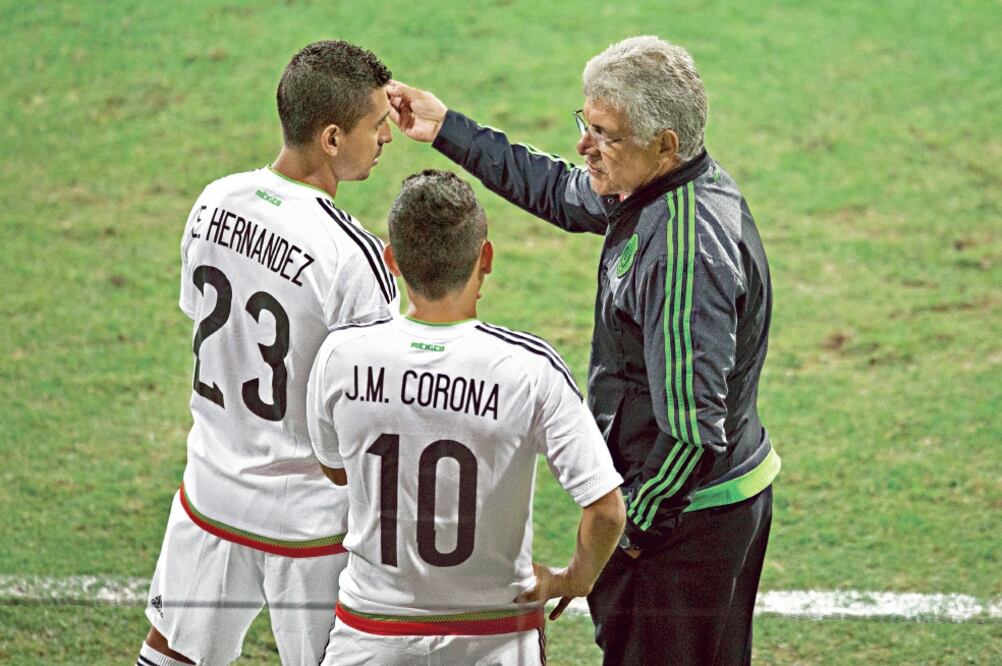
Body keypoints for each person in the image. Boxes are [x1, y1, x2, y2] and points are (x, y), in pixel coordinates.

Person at [386, 36, 779, 665]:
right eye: (585, 123)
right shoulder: (659, 187)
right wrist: (446, 130)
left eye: (604, 133)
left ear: (665, 144)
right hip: (703, 508)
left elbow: (691, 437)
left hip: (682, 526)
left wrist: (622, 539)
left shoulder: (681, 254)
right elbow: (558, 189)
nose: (583, 146)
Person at [138, 40, 399, 666]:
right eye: (377, 125)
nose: (387, 138)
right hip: (309, 526)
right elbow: (373, 409)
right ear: (332, 138)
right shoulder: (351, 255)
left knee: (170, 656)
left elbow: (204, 325)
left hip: (210, 498)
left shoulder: (212, 202)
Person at [306, 169, 626, 665]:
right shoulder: (529, 368)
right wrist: (575, 578)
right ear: (487, 258)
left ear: (392, 261)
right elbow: (606, 509)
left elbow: (335, 469)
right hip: (495, 635)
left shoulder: (339, 356)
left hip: (370, 633)